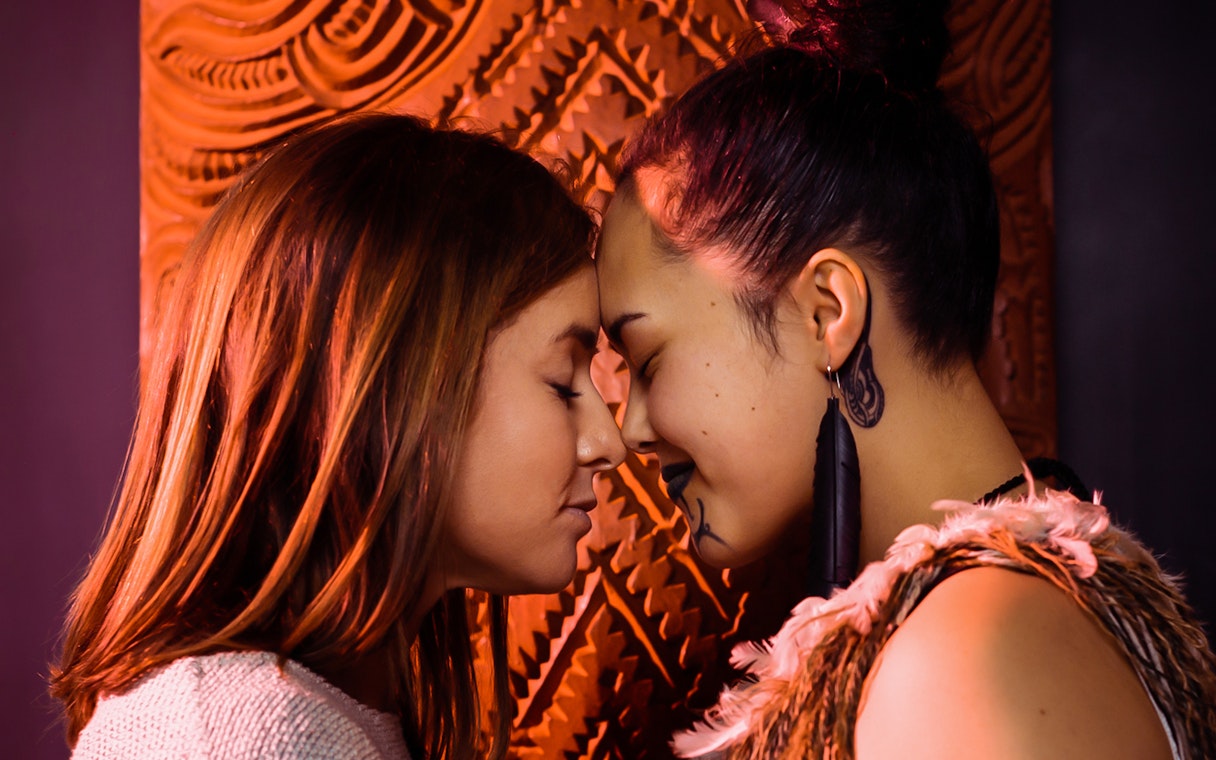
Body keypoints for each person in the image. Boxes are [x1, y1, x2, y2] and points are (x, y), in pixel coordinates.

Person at [595, 0, 1216, 757]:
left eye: (647, 359)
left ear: (828, 311)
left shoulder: (968, 653)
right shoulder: (1015, 616)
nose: (629, 430)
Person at [50, 112, 625, 759]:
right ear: (396, 383)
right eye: (562, 383)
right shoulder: (243, 738)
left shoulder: (303, 718)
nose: (610, 443)